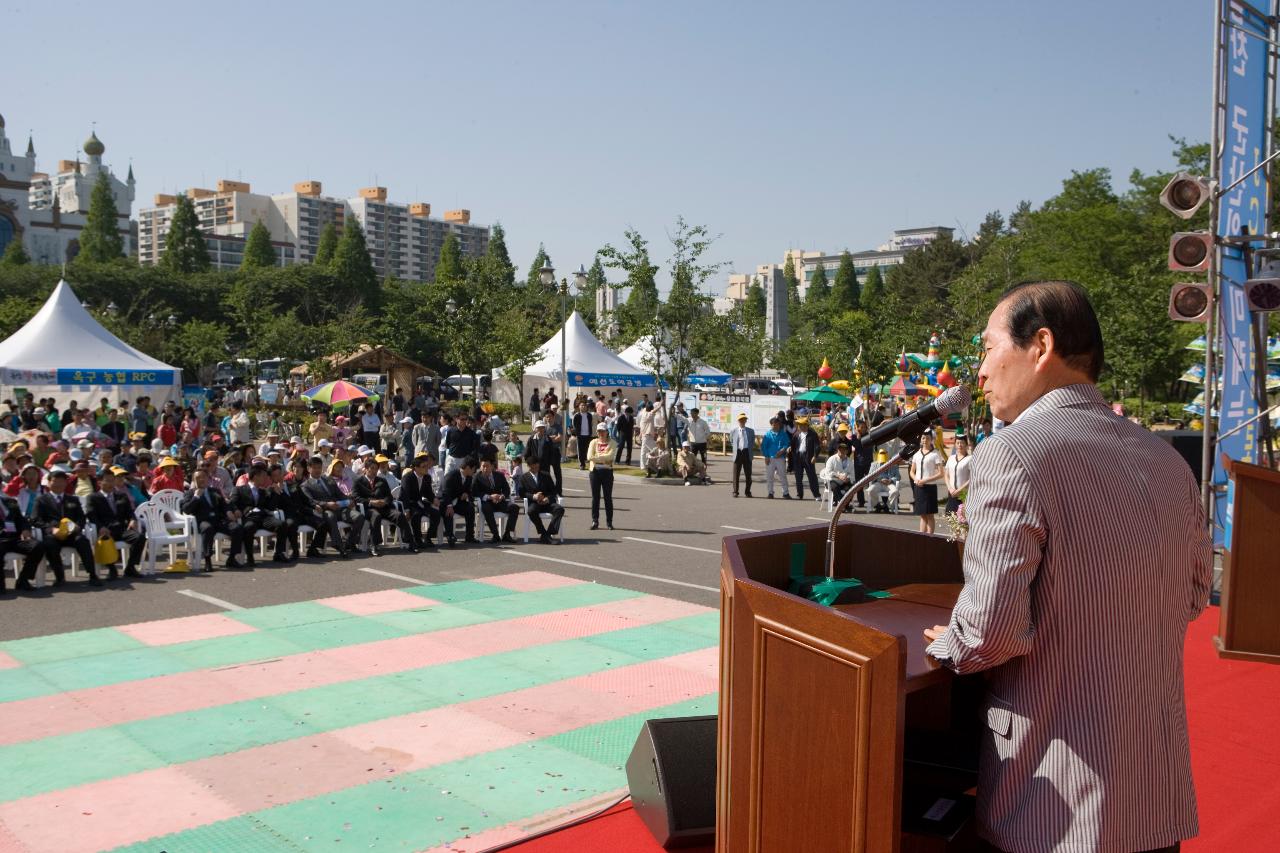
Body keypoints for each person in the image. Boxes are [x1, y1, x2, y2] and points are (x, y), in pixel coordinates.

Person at [921, 280, 1211, 853]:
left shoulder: (1014, 452)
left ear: (1041, 345)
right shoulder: (1163, 457)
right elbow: (1196, 594)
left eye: (986, 348)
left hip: (1053, 801)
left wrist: (950, 642)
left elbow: (989, 634)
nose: (978, 372)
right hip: (1153, 795)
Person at [86, 468, 144, 578]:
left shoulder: (121, 495)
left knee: (140, 537)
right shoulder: (93, 497)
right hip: (106, 531)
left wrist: (133, 519)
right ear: (99, 482)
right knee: (104, 539)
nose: (111, 483)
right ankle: (112, 569)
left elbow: (130, 512)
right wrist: (100, 527)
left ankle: (130, 567)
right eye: (107, 480)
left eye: (112, 480)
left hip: (121, 529)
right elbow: (91, 516)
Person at [183, 469, 245, 571]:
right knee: (208, 528)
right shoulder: (190, 493)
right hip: (203, 521)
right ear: (194, 480)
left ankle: (232, 558)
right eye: (198, 478)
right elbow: (186, 509)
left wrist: (229, 511)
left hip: (218, 520)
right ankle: (208, 560)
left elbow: (225, 504)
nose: (201, 479)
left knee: (237, 528)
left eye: (204, 477)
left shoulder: (214, 491)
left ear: (208, 479)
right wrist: (196, 497)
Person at [301, 456, 360, 558]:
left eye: (319, 467)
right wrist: (327, 504)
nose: (317, 470)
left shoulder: (329, 479)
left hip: (339, 508)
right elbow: (311, 501)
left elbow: (340, 494)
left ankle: (349, 542)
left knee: (359, 517)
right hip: (324, 510)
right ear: (308, 469)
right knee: (330, 516)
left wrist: (348, 500)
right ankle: (340, 547)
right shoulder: (305, 485)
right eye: (314, 468)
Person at [354, 457, 414, 556]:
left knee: (399, 515)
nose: (374, 471)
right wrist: (371, 502)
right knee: (375, 516)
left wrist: (385, 501)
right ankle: (374, 544)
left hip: (384, 507)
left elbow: (389, 496)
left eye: (376, 469)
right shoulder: (359, 481)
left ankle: (410, 541)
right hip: (369, 508)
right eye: (372, 468)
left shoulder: (381, 480)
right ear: (366, 468)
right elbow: (355, 497)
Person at [237, 464, 294, 564]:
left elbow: (271, 507)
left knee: (282, 525)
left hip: (264, 518)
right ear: (255, 476)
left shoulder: (264, 491)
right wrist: (235, 511)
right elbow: (232, 503)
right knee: (248, 527)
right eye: (263, 476)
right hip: (250, 517)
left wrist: (275, 492)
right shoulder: (240, 490)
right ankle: (250, 557)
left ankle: (279, 553)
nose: (265, 478)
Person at [399, 453, 441, 549]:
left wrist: (434, 499)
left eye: (427, 466)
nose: (427, 468)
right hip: (409, 503)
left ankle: (428, 538)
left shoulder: (427, 477)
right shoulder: (407, 478)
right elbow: (404, 495)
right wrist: (406, 510)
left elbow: (428, 493)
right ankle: (418, 540)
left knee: (436, 514)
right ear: (416, 468)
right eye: (423, 466)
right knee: (416, 515)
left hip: (420, 502)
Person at [519, 457, 563, 544]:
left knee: (559, 509)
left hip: (546, 503)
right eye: (533, 467)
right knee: (531, 511)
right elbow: (522, 493)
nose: (535, 469)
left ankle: (548, 534)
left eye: (537, 467)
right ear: (528, 466)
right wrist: (534, 496)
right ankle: (543, 533)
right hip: (534, 503)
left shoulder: (545, 475)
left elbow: (553, 491)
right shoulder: (524, 478)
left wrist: (548, 498)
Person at [474, 458, 518, 542]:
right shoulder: (477, 477)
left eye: (487, 466)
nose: (485, 468)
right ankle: (495, 535)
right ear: (480, 467)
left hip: (500, 501)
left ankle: (507, 534)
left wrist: (502, 496)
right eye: (483, 466)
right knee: (486, 509)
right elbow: (475, 492)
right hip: (487, 502)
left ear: (492, 467)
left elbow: (507, 489)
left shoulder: (499, 475)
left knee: (514, 508)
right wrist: (489, 497)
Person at [439, 455, 479, 547]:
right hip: (446, 502)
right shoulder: (451, 475)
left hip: (458, 502)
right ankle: (450, 536)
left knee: (470, 509)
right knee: (448, 512)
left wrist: (466, 494)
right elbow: (445, 492)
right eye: (474, 469)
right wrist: (449, 505)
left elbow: (469, 491)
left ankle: (469, 536)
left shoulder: (469, 477)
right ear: (468, 468)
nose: (474, 471)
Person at [908, 431, 944, 534]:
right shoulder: (916, 454)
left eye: (927, 438)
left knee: (930, 515)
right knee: (922, 515)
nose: (925, 440)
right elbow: (911, 471)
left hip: (930, 488)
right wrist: (916, 479)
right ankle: (922, 537)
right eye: (923, 438)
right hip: (919, 487)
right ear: (920, 439)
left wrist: (926, 480)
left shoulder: (935, 454)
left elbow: (941, 473)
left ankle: (930, 538)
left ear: (931, 440)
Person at [586, 422, 616, 530]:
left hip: (607, 472)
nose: (601, 433)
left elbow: (611, 456)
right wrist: (604, 459)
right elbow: (589, 456)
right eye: (599, 431)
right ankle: (595, 521)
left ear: (607, 431)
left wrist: (597, 457)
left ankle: (609, 522)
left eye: (603, 431)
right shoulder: (593, 442)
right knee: (595, 498)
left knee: (608, 497)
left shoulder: (612, 443)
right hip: (595, 472)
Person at [791, 417, 820, 500]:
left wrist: (815, 456)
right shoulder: (796, 434)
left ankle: (817, 495)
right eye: (800, 425)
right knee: (798, 477)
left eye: (803, 425)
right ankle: (799, 494)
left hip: (808, 457)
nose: (801, 427)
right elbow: (793, 445)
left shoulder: (813, 434)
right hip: (798, 457)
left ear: (807, 425)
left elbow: (817, 446)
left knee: (812, 477)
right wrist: (792, 451)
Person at [761, 417, 791, 499]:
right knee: (770, 476)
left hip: (780, 458)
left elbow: (787, 443)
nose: (775, 426)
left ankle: (785, 493)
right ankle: (770, 493)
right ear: (771, 425)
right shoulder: (767, 434)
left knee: (783, 476)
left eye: (777, 425)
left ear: (779, 425)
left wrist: (783, 450)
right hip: (770, 458)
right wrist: (766, 456)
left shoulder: (783, 434)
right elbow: (764, 446)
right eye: (773, 425)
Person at [821, 441, 856, 510]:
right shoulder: (831, 459)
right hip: (832, 481)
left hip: (844, 481)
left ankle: (845, 505)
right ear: (837, 450)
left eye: (844, 449)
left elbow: (853, 474)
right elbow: (828, 473)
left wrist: (848, 479)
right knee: (835, 486)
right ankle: (843, 505)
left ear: (847, 451)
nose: (841, 451)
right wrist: (838, 476)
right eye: (840, 449)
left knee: (852, 489)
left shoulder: (850, 461)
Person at [943, 433, 971, 514]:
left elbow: (972, 478)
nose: (960, 445)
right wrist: (950, 488)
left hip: (963, 494)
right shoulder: (951, 458)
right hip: (951, 493)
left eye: (962, 443)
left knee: (962, 521)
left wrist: (959, 490)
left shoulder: (970, 459)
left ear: (966, 445)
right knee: (951, 518)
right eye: (958, 443)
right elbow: (946, 475)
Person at [729, 413, 755, 498]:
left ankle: (748, 491)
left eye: (744, 420)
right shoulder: (734, 431)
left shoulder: (751, 431)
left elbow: (752, 441)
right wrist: (736, 448)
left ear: (746, 421)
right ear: (738, 421)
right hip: (738, 453)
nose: (742, 421)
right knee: (736, 474)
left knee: (748, 474)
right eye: (741, 420)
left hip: (747, 453)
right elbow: (731, 440)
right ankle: (735, 491)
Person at [572, 402, 595, 469]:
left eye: (584, 405)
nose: (583, 407)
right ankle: (582, 464)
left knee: (587, 449)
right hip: (580, 435)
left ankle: (588, 462)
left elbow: (591, 423)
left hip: (588, 434)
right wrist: (577, 432)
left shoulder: (589, 415)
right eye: (582, 405)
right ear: (579, 407)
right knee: (580, 450)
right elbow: (574, 425)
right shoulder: (577, 415)